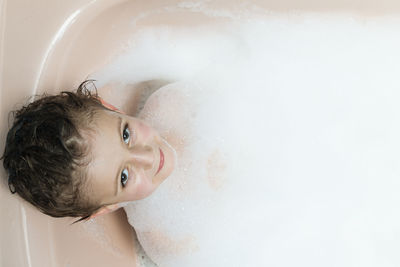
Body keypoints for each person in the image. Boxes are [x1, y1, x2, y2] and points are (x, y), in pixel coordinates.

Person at [1, 80, 176, 224]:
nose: (148, 158)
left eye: (126, 134)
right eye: (123, 177)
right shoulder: (168, 237)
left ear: (110, 107)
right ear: (107, 208)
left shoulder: (171, 104)